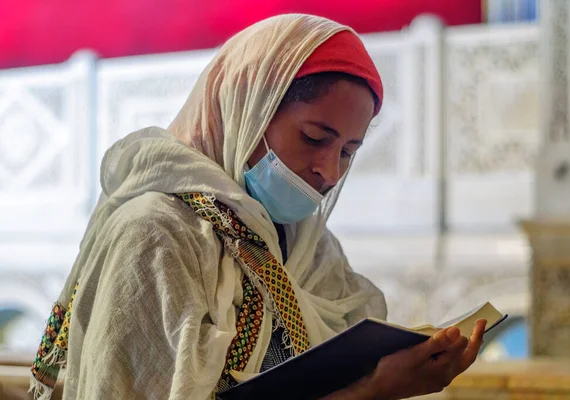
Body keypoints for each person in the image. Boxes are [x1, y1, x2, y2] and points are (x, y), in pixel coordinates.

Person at [29, 14, 486, 400]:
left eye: (348, 151)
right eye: (314, 138)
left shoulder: (308, 243)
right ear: (245, 110)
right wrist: (370, 391)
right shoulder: (155, 232)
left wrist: (404, 361)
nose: (328, 172)